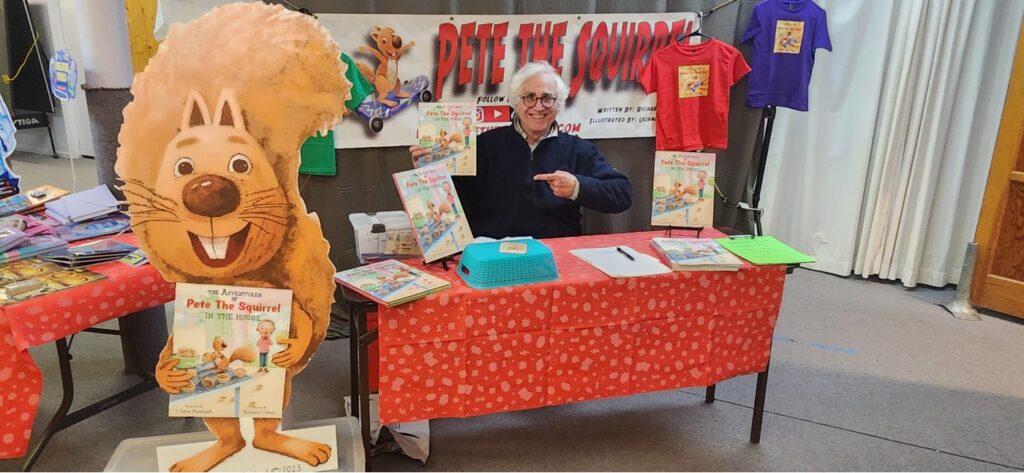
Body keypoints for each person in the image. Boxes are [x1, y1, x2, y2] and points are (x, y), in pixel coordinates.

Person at [409, 61, 632, 239]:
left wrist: (578, 187)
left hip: (555, 256)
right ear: (516, 102)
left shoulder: (578, 149)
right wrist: (432, 172)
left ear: (558, 104)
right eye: (529, 97)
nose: (538, 106)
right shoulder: (483, 145)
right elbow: (448, 200)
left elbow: (622, 194)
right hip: (491, 255)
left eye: (547, 98)